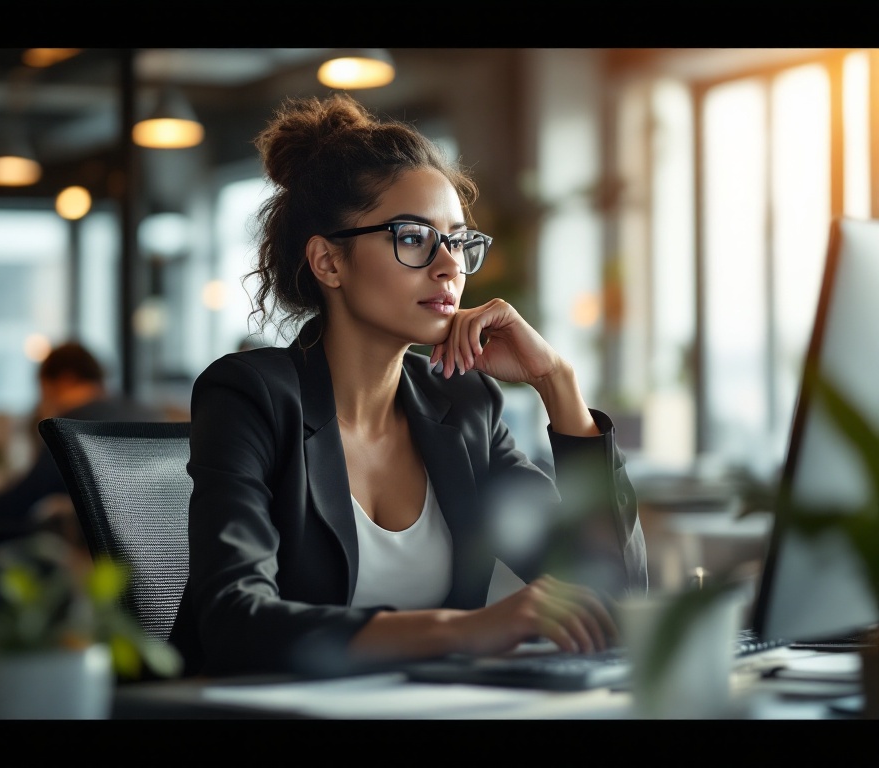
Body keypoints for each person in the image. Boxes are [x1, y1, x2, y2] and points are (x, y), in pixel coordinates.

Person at [168, 93, 648, 679]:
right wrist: (464, 630)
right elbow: (234, 622)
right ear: (328, 262)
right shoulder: (250, 397)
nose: (448, 266)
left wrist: (557, 382)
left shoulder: (464, 406)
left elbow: (615, 592)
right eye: (414, 237)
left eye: (458, 241)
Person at [0, 341, 162, 526]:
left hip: (92, 550)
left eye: (45, 391)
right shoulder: (145, 412)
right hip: (162, 538)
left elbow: (20, 501)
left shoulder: (70, 426)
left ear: (65, 380)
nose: (44, 401)